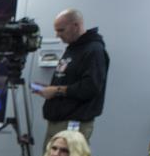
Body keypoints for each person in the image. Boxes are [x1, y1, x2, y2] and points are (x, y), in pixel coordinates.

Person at [36, 8, 110, 144]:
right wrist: (50, 89)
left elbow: (90, 87)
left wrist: (57, 90)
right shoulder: (73, 48)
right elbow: (70, 80)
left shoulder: (93, 50)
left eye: (61, 30)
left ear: (76, 25)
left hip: (73, 124)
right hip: (58, 121)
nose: (57, 35)